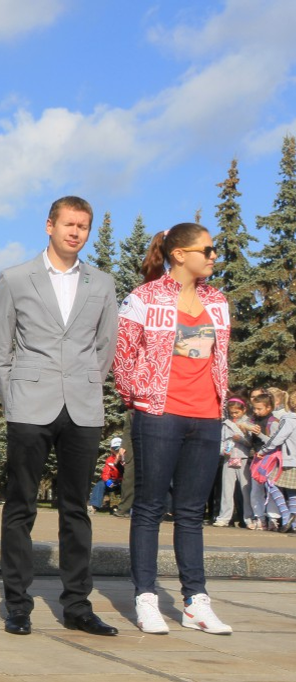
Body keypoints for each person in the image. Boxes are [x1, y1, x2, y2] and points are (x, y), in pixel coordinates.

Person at [0, 196, 119, 637]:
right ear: (50, 226)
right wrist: (14, 399)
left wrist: (86, 382)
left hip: (82, 407)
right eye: (68, 224)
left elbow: (105, 345)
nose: (75, 232)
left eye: (83, 226)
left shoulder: (102, 283)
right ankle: (17, 605)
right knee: (20, 506)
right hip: (30, 404)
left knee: (76, 509)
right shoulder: (15, 278)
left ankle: (78, 606)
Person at [114, 222, 233, 635]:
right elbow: (122, 356)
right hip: (159, 414)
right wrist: (141, 398)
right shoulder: (143, 298)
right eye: (208, 250)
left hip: (207, 416)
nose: (214, 256)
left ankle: (196, 602)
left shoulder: (218, 301)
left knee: (191, 513)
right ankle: (145, 598)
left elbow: (220, 358)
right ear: (180, 254)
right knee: (149, 508)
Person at [254, 392, 296, 533]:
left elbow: (278, 438)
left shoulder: (289, 420)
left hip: (290, 459)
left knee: (270, 482)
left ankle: (286, 515)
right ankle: (293, 524)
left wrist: (263, 450)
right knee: (292, 490)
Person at [212, 397, 253, 528]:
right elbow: (221, 441)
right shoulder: (226, 424)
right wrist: (223, 451)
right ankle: (224, 517)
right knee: (227, 489)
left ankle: (249, 518)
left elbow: (251, 443)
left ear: (244, 410)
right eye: (232, 413)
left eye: (237, 412)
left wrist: (240, 439)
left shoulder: (249, 422)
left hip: (243, 458)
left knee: (246, 489)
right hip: (229, 459)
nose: (234, 415)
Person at [247, 393, 280, 530]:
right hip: (257, 459)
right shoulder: (253, 420)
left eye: (259, 409)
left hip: (270, 460)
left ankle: (273, 518)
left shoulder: (273, 422)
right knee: (256, 490)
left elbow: (274, 442)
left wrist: (259, 434)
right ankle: (259, 517)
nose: (256, 411)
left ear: (269, 407)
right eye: (254, 408)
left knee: (271, 489)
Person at [88, 438, 125, 514]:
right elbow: (105, 473)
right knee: (100, 484)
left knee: (130, 487)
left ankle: (128, 508)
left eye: (119, 449)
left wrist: (121, 460)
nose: (117, 451)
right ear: (111, 449)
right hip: (113, 482)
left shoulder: (127, 459)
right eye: (115, 449)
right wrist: (107, 480)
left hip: (123, 482)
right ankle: (94, 506)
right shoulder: (109, 460)